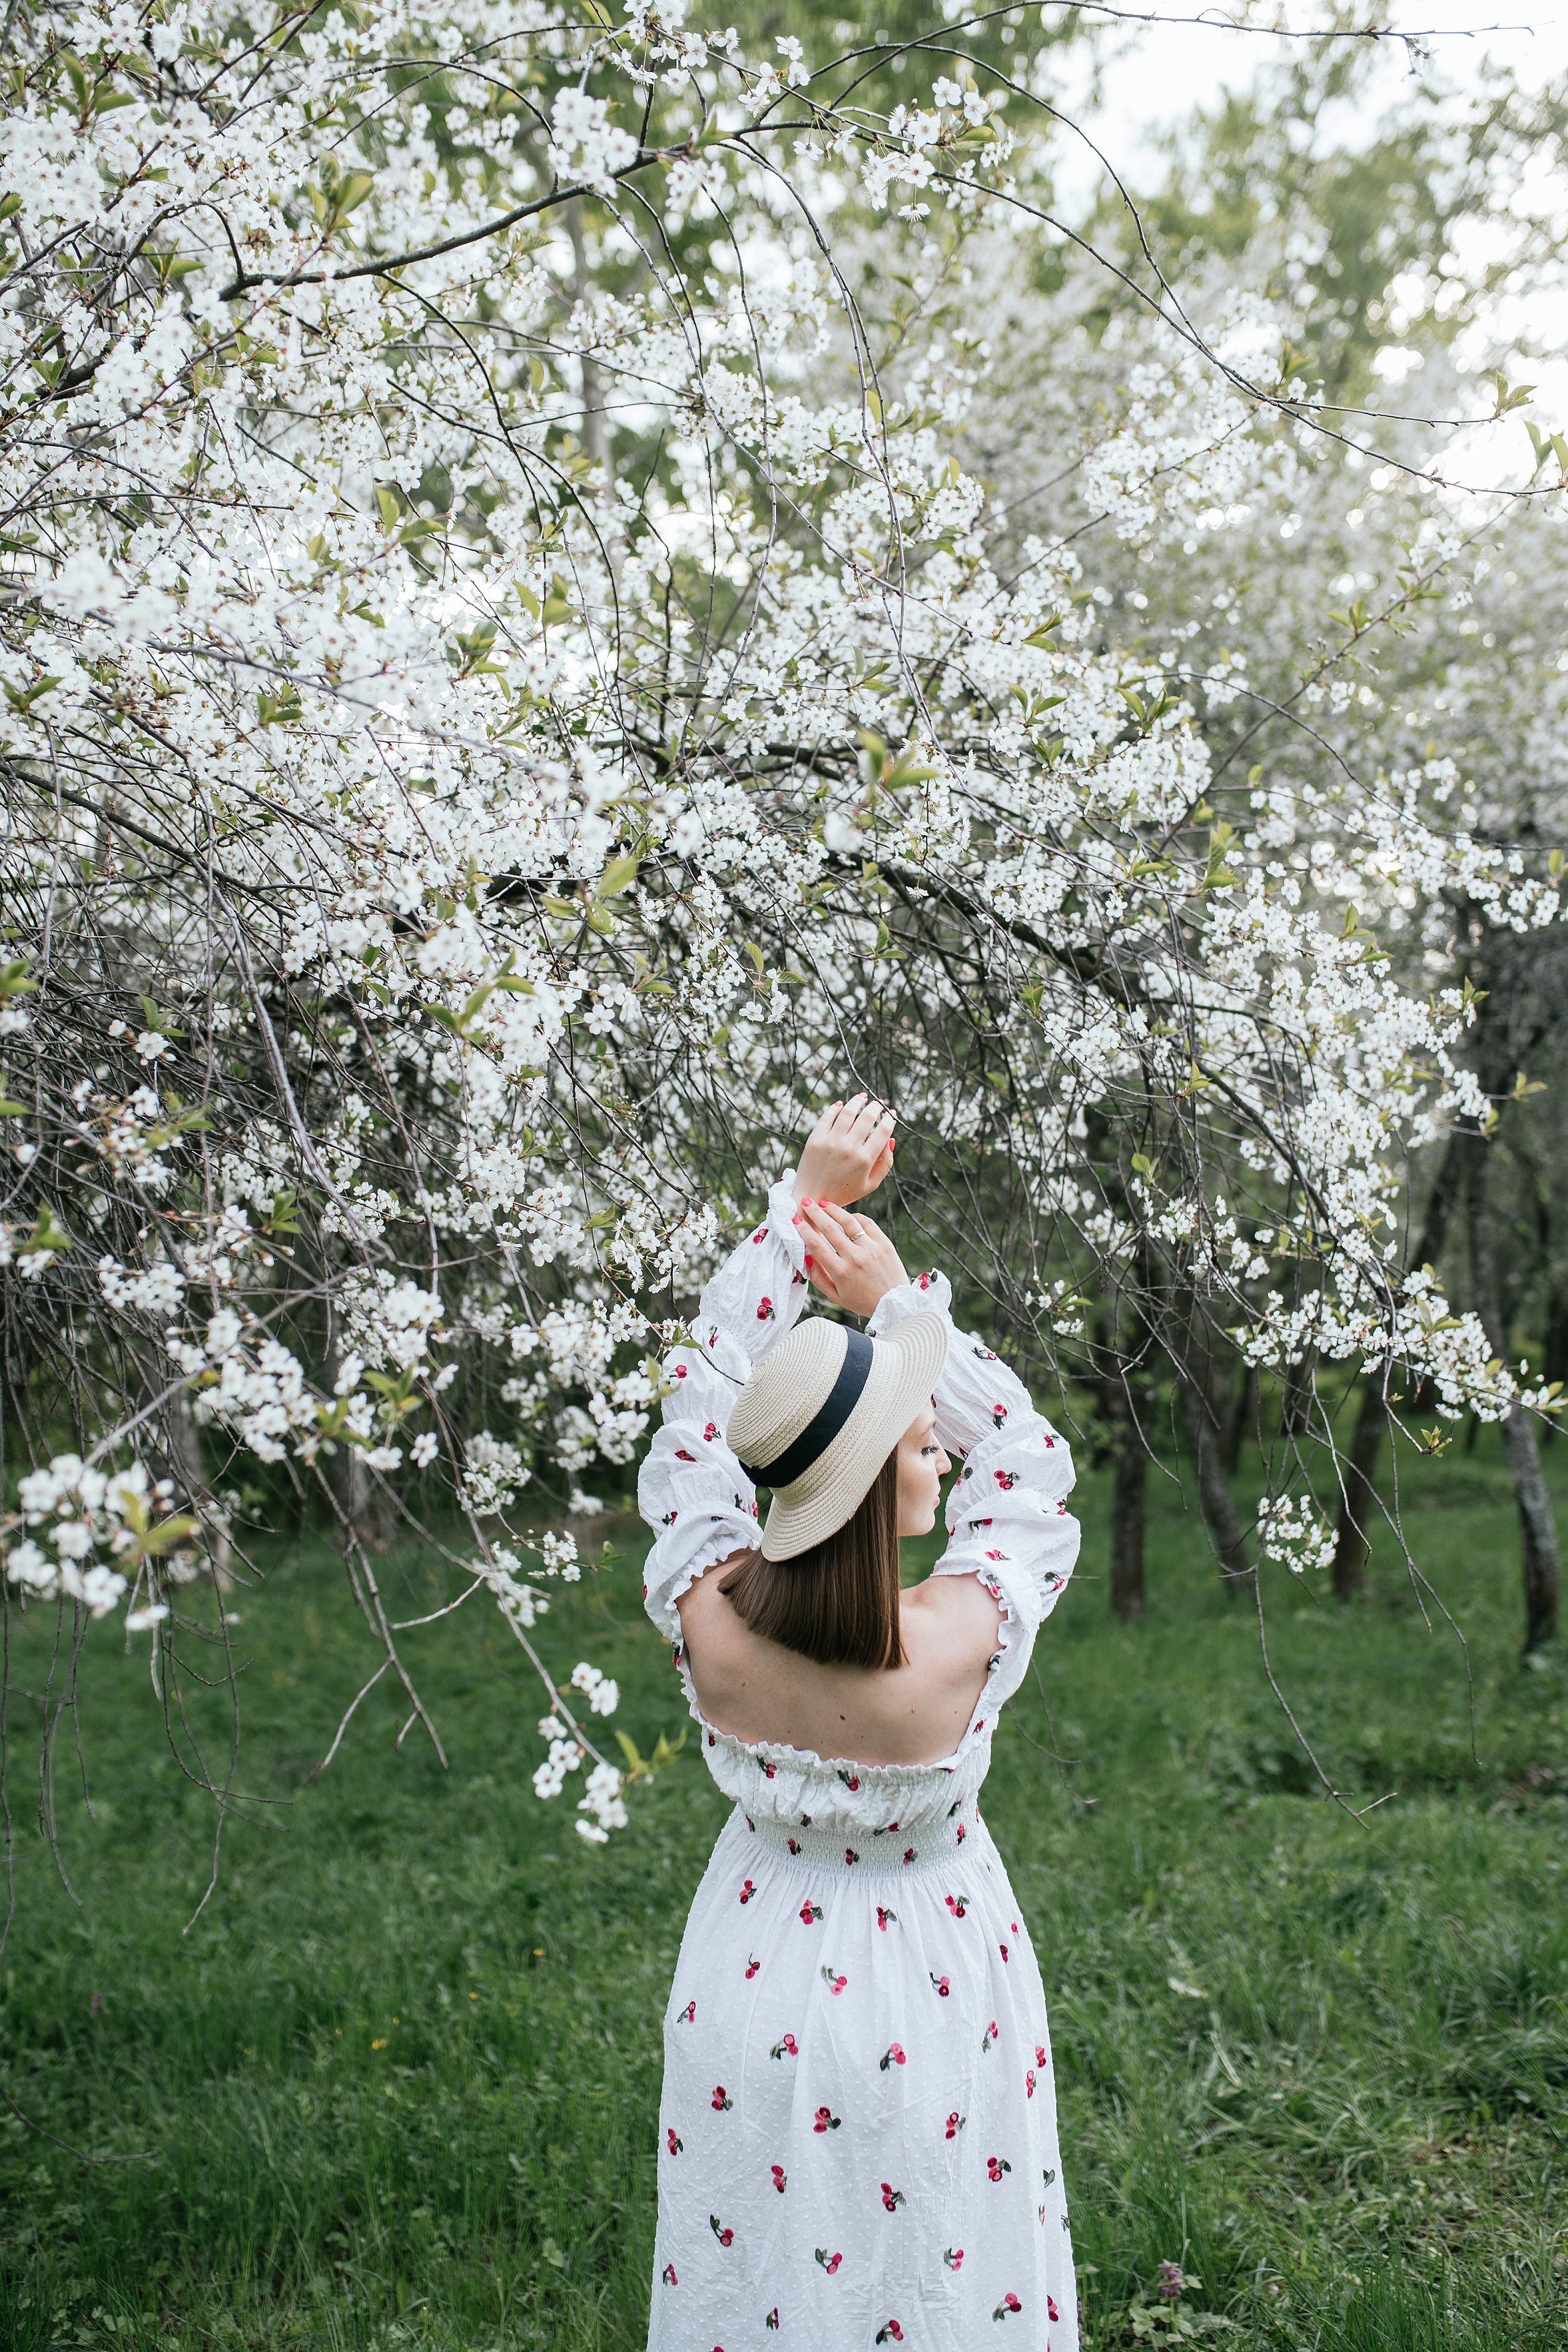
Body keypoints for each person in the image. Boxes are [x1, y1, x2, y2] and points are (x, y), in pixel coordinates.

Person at [637, 1093, 1081, 2351]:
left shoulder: (706, 1605)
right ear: (881, 1478)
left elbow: (700, 1407)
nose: (938, 1453)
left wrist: (796, 1212)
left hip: (752, 1958)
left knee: (760, 2255)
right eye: (916, 1440)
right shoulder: (956, 1640)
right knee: (939, 2241)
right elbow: (1029, 1462)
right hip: (933, 1973)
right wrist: (896, 1300)